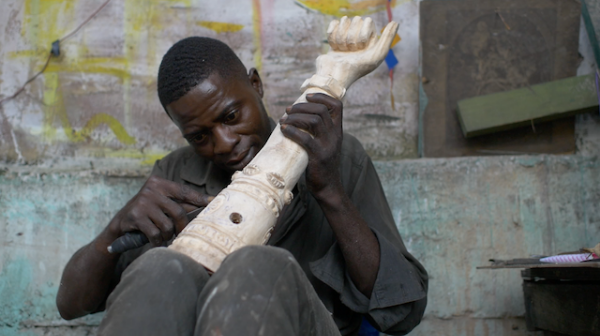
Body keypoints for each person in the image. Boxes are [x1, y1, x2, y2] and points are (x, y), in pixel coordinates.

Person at [56, 36, 428, 336]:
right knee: (160, 267)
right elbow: (71, 305)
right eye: (200, 136)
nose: (223, 143)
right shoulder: (174, 174)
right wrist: (117, 225)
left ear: (256, 84)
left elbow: (403, 311)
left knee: (258, 265)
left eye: (231, 116)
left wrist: (330, 190)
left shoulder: (334, 156)